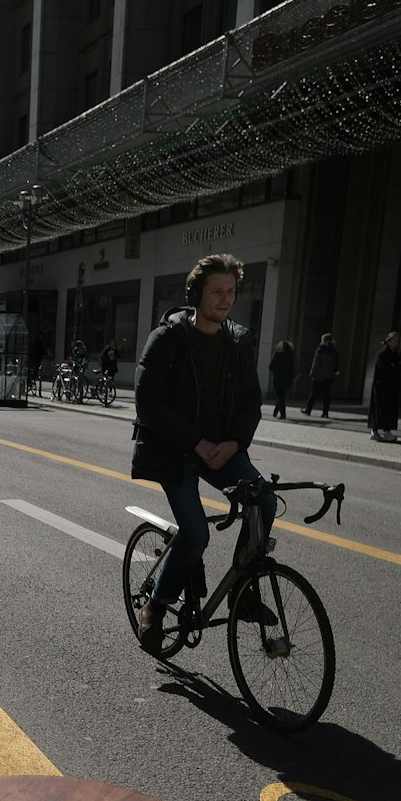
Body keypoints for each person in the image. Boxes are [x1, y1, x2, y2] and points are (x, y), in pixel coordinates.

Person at [128, 252, 274, 653]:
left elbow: (250, 403)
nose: (225, 299)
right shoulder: (168, 339)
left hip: (222, 449)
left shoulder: (239, 342)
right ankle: (155, 609)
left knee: (265, 501)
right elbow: (149, 403)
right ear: (196, 294)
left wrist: (233, 443)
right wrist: (196, 442)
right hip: (176, 451)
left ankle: (243, 590)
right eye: (216, 292)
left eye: (231, 291)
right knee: (195, 534)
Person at [369, 331, 401, 442]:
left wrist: (395, 367)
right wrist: (394, 367)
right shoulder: (383, 354)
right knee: (380, 409)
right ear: (389, 341)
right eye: (395, 340)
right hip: (382, 387)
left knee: (388, 409)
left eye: (397, 340)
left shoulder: (395, 354)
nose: (397, 342)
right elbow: (386, 369)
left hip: (391, 387)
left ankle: (384, 431)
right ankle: (379, 431)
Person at [303, 333, 338, 417]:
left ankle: (308, 410)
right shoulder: (334, 351)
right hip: (329, 376)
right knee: (326, 395)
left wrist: (312, 373)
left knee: (314, 393)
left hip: (319, 376)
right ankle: (325, 412)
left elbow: (316, 363)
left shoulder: (320, 349)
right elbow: (337, 363)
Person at [269, 340, 296, 419]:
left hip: (278, 378)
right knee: (281, 396)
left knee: (280, 396)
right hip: (287, 379)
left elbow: (271, 367)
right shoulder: (291, 355)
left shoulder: (278, 355)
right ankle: (275, 411)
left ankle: (283, 414)